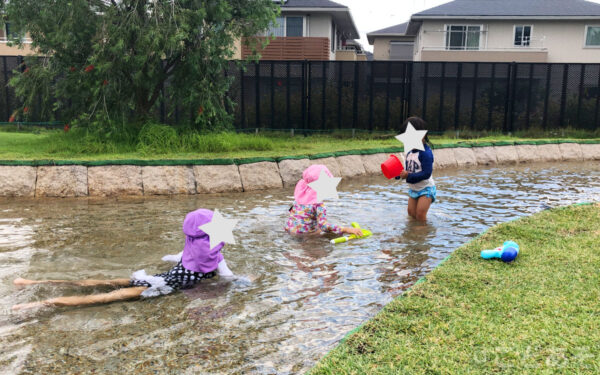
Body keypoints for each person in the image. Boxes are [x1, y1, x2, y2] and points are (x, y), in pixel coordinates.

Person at [12, 209, 234, 310]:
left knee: (100, 284)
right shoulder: (215, 258)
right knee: (102, 298)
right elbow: (228, 279)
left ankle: (30, 283)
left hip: (157, 277)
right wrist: (244, 281)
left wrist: (168, 259)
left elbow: (176, 257)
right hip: (159, 287)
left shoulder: (190, 247)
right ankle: (36, 304)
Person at [285, 164, 362, 237]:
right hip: (306, 236)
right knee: (321, 234)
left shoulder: (300, 196)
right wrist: (346, 229)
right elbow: (324, 226)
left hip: (289, 230)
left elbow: (294, 213)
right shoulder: (318, 204)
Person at [396, 116, 436, 221]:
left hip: (426, 189)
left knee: (420, 215)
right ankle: (413, 234)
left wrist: (408, 176)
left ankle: (421, 234)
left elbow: (427, 173)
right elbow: (407, 170)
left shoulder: (426, 154)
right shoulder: (409, 153)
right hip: (414, 189)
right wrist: (397, 174)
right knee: (411, 213)